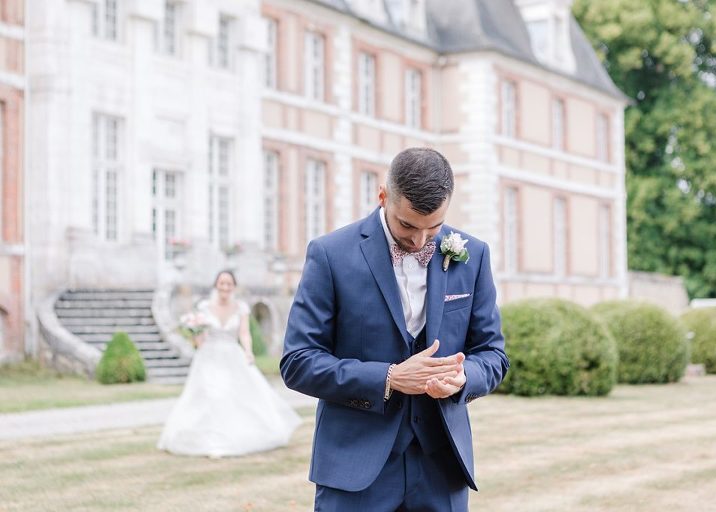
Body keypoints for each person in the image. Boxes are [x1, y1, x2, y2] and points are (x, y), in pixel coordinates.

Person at [281, 147, 509, 510]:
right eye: (408, 225)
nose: (420, 241)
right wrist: (389, 377)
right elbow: (298, 362)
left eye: (433, 227)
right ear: (383, 195)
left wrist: (462, 377)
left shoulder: (473, 255)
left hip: (441, 470)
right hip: (354, 472)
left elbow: (494, 355)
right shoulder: (331, 254)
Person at [158, 270, 301, 457]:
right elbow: (200, 340)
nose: (225, 287)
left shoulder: (241, 308)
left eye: (228, 284)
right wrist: (195, 332)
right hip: (209, 357)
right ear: (216, 285)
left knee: (236, 395)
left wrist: (249, 352)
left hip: (232, 354)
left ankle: (232, 436)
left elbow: (243, 333)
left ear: (233, 287)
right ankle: (210, 439)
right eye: (222, 283)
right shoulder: (204, 307)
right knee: (211, 395)